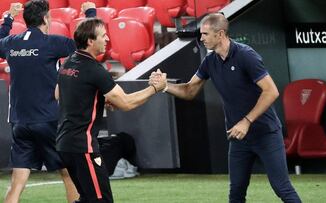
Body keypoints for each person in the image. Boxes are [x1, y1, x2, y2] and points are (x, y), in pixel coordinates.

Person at [150, 13, 302, 203]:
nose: (201, 38)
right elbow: (189, 90)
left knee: (282, 188)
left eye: (205, 34)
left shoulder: (246, 55)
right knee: (236, 192)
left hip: (266, 134)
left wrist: (246, 122)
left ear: (220, 34)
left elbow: (271, 92)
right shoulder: (209, 61)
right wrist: (164, 86)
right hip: (238, 138)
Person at [55, 18, 166, 203]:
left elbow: (59, 94)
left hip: (64, 145)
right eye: (103, 36)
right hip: (84, 147)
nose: (107, 39)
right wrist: (155, 88)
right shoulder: (95, 70)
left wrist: (96, 99)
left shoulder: (68, 63)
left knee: (87, 199)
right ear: (91, 41)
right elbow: (127, 103)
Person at [0, 1, 97, 202]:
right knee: (69, 174)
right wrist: (90, 13)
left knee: (18, 180)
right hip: (48, 120)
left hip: (19, 122)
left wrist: (8, 18)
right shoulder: (52, 43)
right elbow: (88, 42)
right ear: (46, 18)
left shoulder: (12, 43)